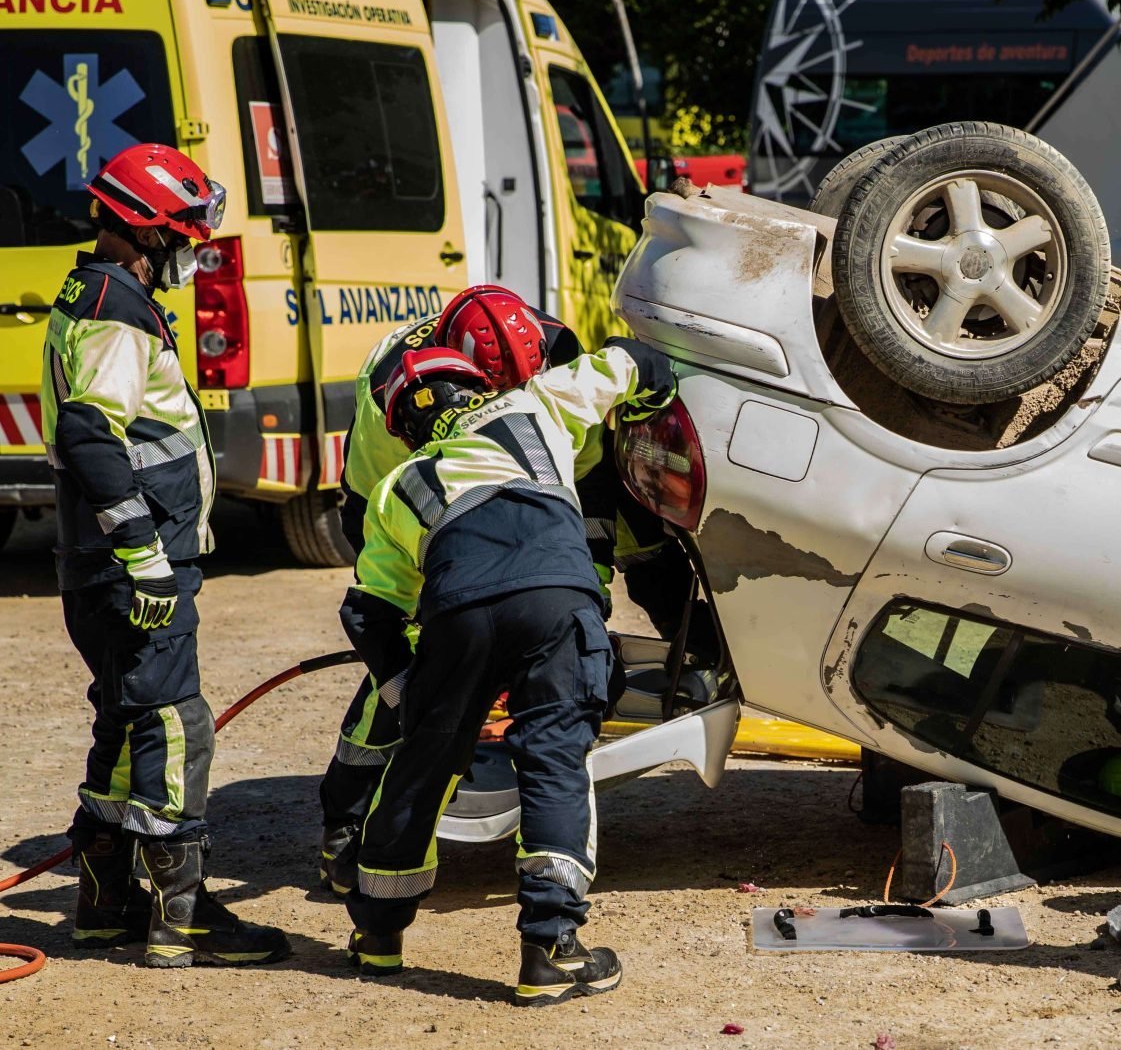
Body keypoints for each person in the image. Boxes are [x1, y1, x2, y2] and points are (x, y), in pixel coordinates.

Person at [315, 286, 698, 894]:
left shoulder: (552, 354)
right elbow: (372, 514)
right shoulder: (390, 395)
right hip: (413, 504)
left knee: (639, 550)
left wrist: (588, 603)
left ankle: (696, 644)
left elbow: (588, 486)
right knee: (412, 650)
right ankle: (347, 819)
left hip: (529, 516)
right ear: (469, 381)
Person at [338, 342, 674, 1004]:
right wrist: (655, 389)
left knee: (423, 764)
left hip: (457, 616)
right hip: (556, 600)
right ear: (475, 386)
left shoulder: (396, 486)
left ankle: (378, 935)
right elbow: (633, 363)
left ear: (405, 424)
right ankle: (549, 949)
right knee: (553, 755)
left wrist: (410, 691)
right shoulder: (534, 403)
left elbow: (369, 612)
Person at [43, 143, 291, 968]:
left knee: (123, 719)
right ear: (146, 235)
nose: (193, 254)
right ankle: (184, 917)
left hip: (102, 558)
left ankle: (104, 904)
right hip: (133, 560)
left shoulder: (101, 292)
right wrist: (144, 547)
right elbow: (89, 430)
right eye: (184, 237)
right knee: (173, 722)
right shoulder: (117, 308)